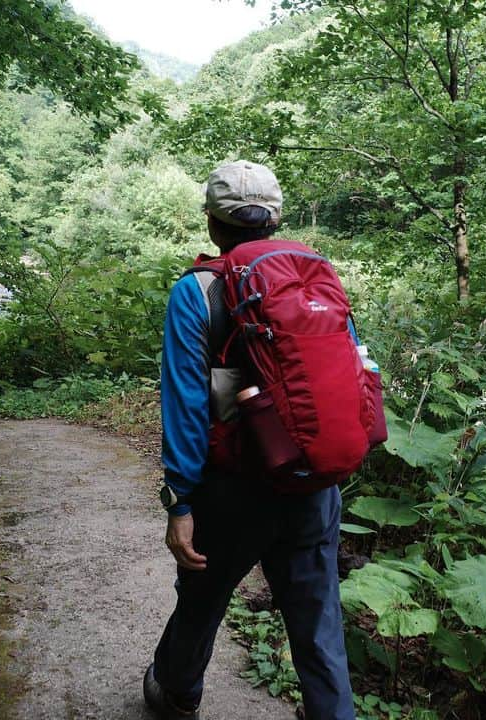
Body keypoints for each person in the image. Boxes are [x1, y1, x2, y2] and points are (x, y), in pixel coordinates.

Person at [143, 160, 356, 720]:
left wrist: (180, 502)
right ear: (274, 219)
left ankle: (177, 694)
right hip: (312, 480)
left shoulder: (199, 290)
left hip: (232, 489)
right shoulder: (314, 274)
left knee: (203, 599)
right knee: (317, 620)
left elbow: (187, 407)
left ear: (212, 222)